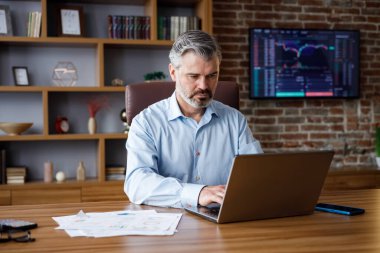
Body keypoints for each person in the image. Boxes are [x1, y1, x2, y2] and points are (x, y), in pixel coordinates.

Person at [124, 30, 262, 208]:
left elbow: (257, 177)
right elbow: (137, 184)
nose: (204, 86)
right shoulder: (146, 123)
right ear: (173, 72)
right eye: (194, 76)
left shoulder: (235, 120)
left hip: (224, 222)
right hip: (169, 224)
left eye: (212, 76)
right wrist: (198, 193)